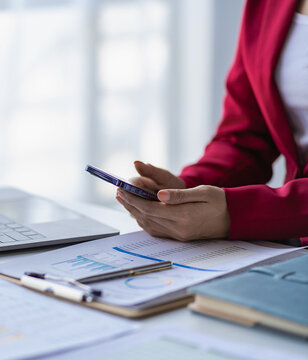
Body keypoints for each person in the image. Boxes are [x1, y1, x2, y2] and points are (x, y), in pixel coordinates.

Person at [116, 0, 308, 246]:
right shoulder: (265, 5)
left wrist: (237, 212)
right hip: (291, 249)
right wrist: (187, 190)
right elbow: (246, 135)